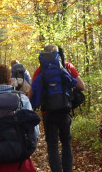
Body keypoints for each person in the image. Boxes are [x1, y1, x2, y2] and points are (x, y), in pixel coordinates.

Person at [30, 44, 85, 172]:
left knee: (52, 145)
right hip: (65, 110)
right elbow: (81, 86)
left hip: (48, 112)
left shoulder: (40, 70)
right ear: (58, 54)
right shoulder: (67, 66)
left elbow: (32, 91)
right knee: (66, 143)